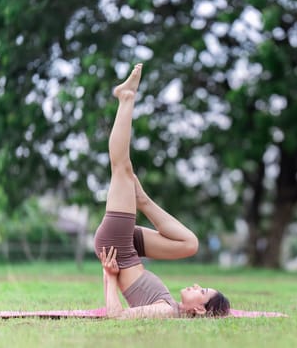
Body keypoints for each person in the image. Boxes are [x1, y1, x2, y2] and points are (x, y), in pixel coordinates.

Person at [94, 63, 230, 319]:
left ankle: (126, 98)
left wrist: (109, 277)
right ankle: (143, 201)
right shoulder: (174, 308)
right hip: (128, 249)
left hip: (118, 248)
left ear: (200, 309)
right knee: (190, 244)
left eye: (202, 292)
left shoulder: (166, 312)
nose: (197, 285)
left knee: (122, 168)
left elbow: (117, 316)